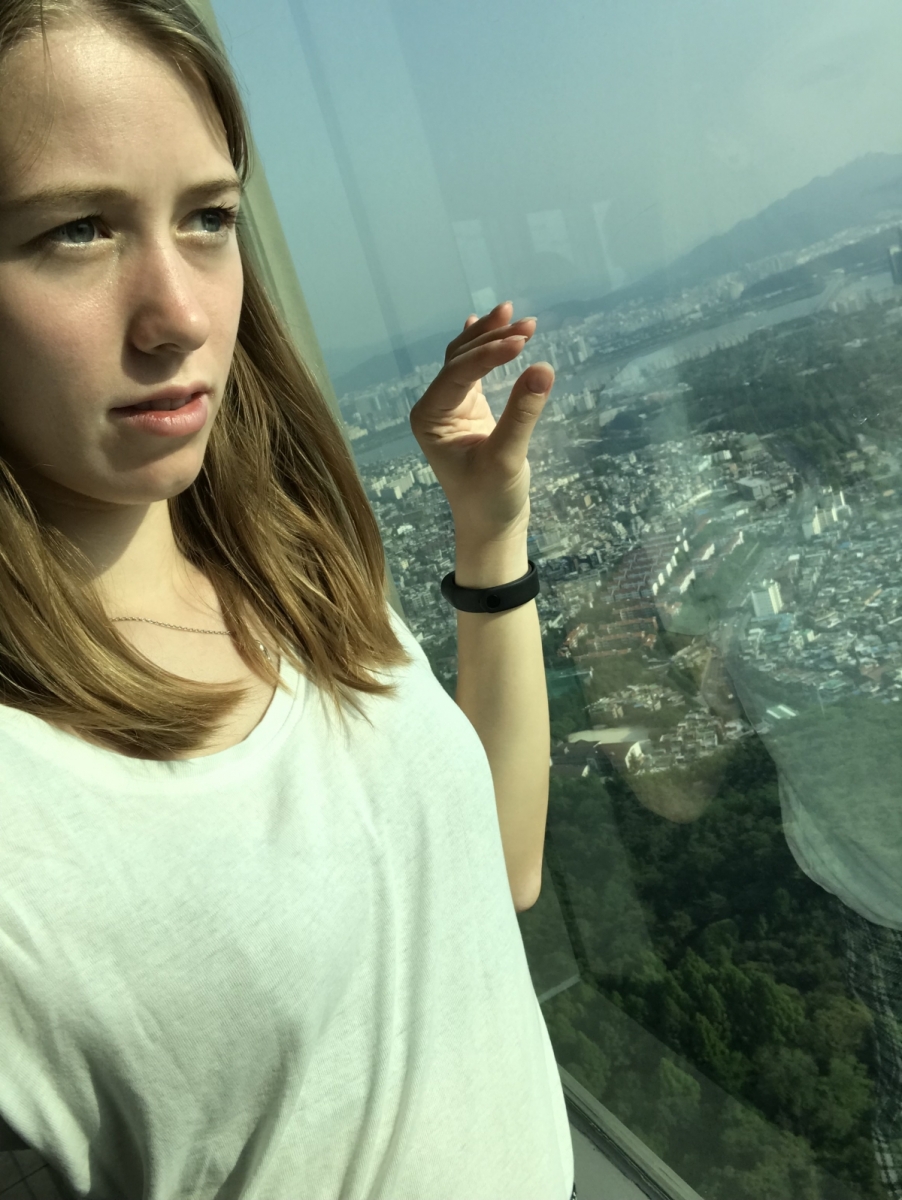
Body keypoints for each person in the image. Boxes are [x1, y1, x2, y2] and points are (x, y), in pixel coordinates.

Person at [0, 2, 576, 1197]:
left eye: (208, 217)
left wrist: (487, 532)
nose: (181, 316)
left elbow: (501, 869)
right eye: (76, 231)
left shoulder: (289, 574)